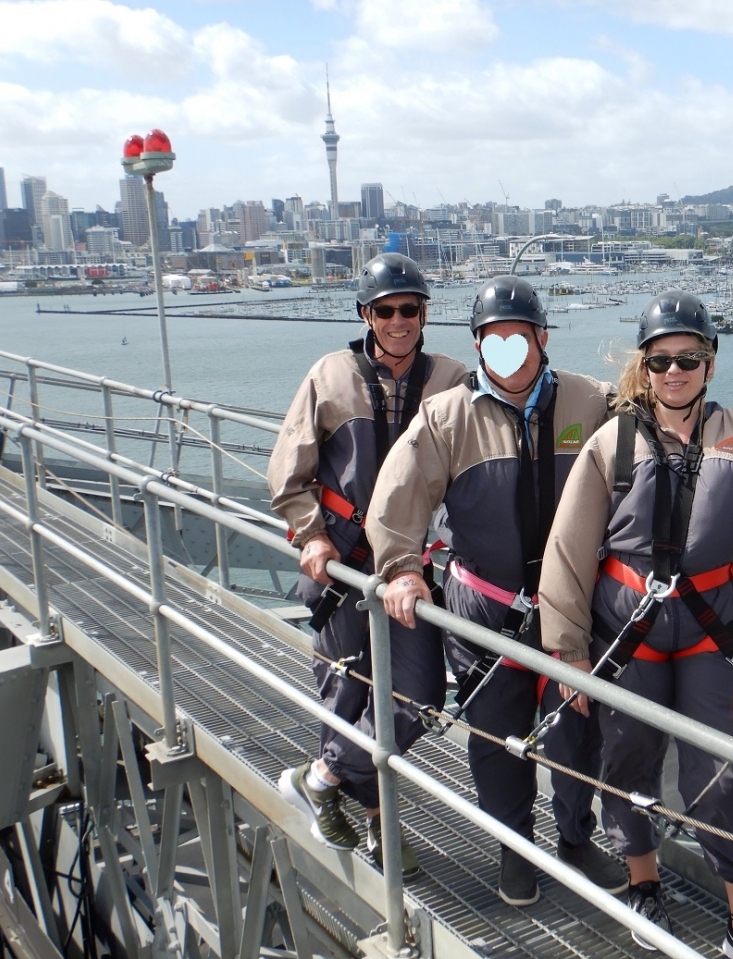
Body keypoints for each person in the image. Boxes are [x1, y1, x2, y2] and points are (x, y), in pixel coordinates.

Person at [537, 290, 733, 958]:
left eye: (688, 359)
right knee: (627, 757)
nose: (674, 371)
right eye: (660, 360)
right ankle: (643, 881)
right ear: (644, 366)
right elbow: (569, 548)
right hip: (625, 632)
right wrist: (567, 652)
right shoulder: (613, 441)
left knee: (727, 770)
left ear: (709, 364)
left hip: (708, 633)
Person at [366, 274, 627, 906]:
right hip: (485, 607)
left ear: (542, 339)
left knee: (577, 729)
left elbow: (649, 447)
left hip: (570, 604)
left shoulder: (590, 403)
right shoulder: (447, 416)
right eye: (492, 339)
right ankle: (514, 847)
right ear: (478, 344)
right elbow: (398, 496)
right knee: (494, 731)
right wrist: (402, 567)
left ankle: (575, 837)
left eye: (519, 338)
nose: (507, 351)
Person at [269, 253, 467, 876]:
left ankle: (320, 778)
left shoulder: (452, 379)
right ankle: (383, 826)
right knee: (346, 692)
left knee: (419, 695)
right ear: (365, 314)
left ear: (425, 313)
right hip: (343, 564)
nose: (398, 321)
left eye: (410, 309)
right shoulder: (330, 375)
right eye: (386, 311)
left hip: (409, 567)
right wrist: (311, 534)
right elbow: (289, 470)